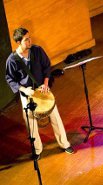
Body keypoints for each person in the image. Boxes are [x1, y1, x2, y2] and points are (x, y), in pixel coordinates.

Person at [5, 28, 74, 160]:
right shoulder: (12, 60)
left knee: (55, 117)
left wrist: (46, 83)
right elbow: (10, 79)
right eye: (26, 39)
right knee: (30, 123)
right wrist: (24, 90)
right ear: (18, 42)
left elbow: (47, 66)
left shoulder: (37, 50)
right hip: (27, 94)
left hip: (43, 89)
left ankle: (64, 144)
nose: (30, 41)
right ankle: (37, 149)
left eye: (29, 38)